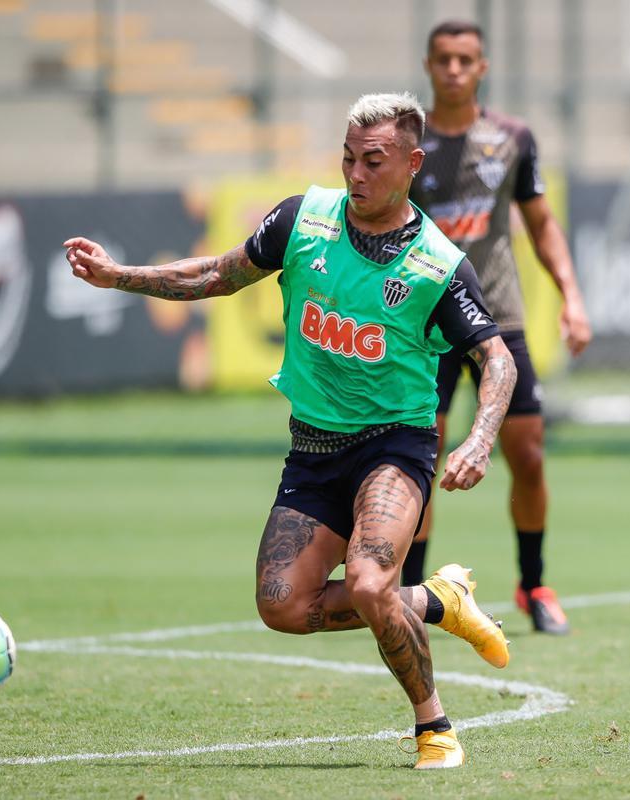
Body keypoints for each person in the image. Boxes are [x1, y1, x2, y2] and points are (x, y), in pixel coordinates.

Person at [65, 92, 515, 770]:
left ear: (412, 164)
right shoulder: (302, 220)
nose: (355, 174)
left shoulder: (437, 266)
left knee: (368, 583)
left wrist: (479, 439)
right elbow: (220, 274)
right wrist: (116, 277)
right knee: (281, 605)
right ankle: (437, 599)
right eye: (347, 158)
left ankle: (434, 727)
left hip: (395, 444)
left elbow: (497, 359)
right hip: (313, 448)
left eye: (373, 161)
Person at [403, 20, 594, 636]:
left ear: (482, 67)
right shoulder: (409, 140)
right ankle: (411, 592)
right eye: (444, 60)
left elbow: (541, 225)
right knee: (419, 458)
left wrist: (572, 296)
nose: (454, 70)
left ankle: (534, 583)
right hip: (425, 325)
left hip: (498, 321)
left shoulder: (512, 138)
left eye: (465, 60)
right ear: (428, 67)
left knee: (529, 454)